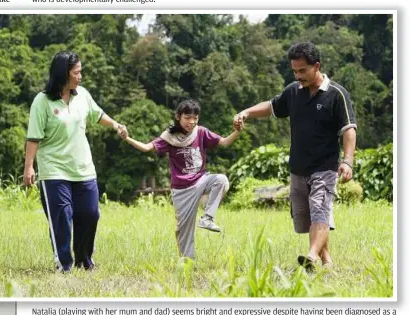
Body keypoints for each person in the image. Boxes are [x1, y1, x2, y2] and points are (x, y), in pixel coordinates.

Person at [234, 42, 357, 271]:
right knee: (309, 219)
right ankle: (327, 262)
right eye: (294, 71)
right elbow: (272, 107)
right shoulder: (293, 91)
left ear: (316, 66)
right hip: (298, 168)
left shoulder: (336, 94)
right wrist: (247, 112)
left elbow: (349, 129)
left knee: (321, 210)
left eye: (302, 71)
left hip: (325, 167)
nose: (298, 75)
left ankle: (310, 258)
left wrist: (347, 161)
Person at [23, 51, 127, 272]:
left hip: (83, 168)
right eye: (77, 72)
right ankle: (64, 265)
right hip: (54, 170)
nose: (81, 76)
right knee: (62, 219)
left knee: (90, 214)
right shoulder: (42, 102)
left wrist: (116, 125)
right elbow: (33, 137)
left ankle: (84, 260)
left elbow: (97, 115)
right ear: (64, 74)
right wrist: (29, 166)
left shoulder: (83, 96)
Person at [121, 99, 240, 261]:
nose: (191, 122)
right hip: (181, 189)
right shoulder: (169, 136)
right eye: (187, 117)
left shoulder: (201, 132)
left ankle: (207, 218)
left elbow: (225, 143)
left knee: (221, 180)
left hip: (200, 180)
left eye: (195, 118)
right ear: (178, 117)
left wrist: (237, 131)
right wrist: (127, 138)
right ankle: (188, 263)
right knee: (183, 231)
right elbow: (146, 147)